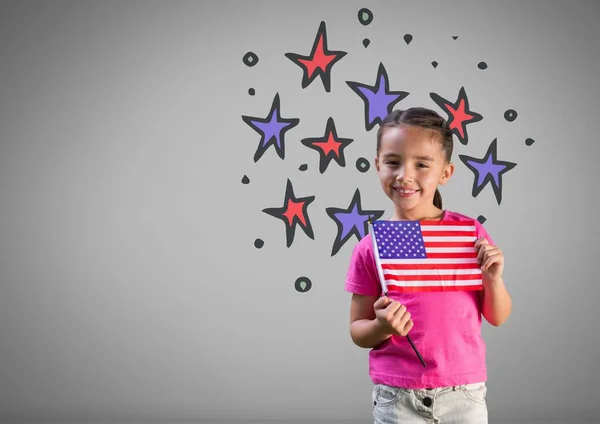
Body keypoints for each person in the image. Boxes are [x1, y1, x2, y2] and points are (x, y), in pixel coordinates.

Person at [345, 107, 512, 423]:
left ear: (445, 173)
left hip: (463, 393)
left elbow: (498, 316)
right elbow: (357, 330)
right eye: (393, 162)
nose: (405, 175)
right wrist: (382, 326)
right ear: (378, 165)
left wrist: (493, 280)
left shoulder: (469, 235)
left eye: (421, 164)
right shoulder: (371, 248)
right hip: (397, 393)